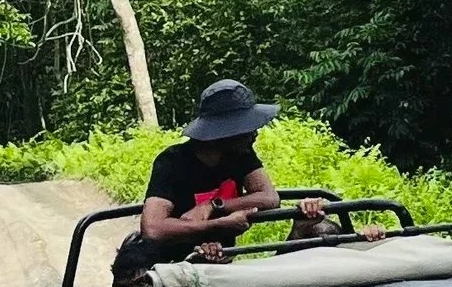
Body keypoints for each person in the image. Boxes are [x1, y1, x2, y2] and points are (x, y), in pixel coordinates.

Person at [135, 78, 323, 258]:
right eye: (246, 128)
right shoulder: (172, 163)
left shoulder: (241, 154)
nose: (254, 134)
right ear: (224, 132)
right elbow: (153, 229)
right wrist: (218, 225)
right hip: (176, 265)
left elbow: (269, 197)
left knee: (324, 230)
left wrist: (214, 206)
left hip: (221, 260)